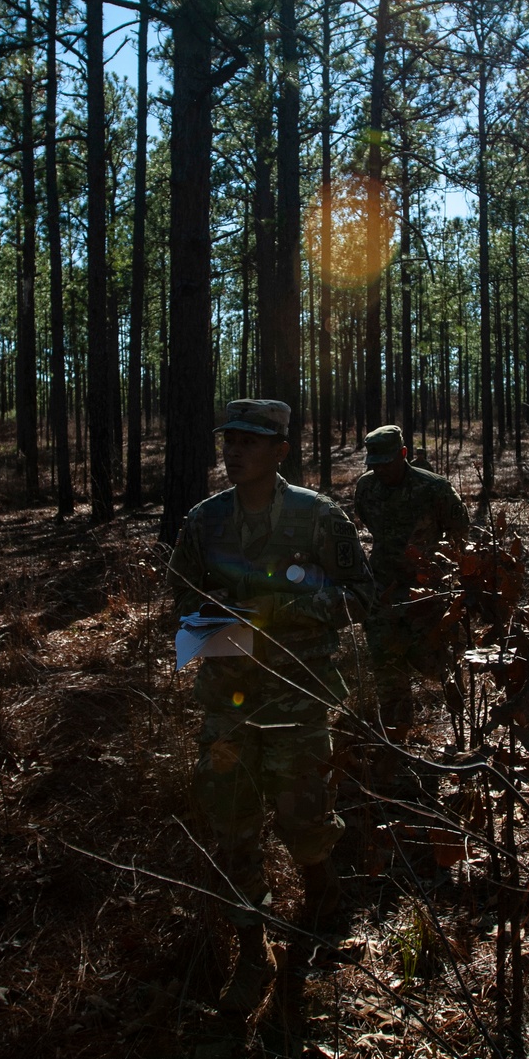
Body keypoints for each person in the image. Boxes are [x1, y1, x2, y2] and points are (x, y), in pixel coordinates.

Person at [167, 398, 373, 1015]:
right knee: (231, 821)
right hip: (227, 703)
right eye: (229, 440)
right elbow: (179, 610)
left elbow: (360, 596)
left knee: (303, 819)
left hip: (299, 699)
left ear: (280, 451)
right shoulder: (202, 523)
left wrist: (287, 611)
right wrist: (228, 631)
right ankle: (252, 945)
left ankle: (321, 898)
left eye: (250, 442)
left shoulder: (317, 518)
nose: (234, 452)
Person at [354, 423, 471, 748]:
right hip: (384, 595)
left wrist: (451, 582)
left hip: (428, 595)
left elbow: (463, 536)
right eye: (374, 464)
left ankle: (464, 734)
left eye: (386, 463)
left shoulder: (433, 488)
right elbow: (367, 522)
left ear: (404, 455)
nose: (380, 470)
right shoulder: (366, 488)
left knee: (440, 665)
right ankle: (397, 741)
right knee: (388, 668)